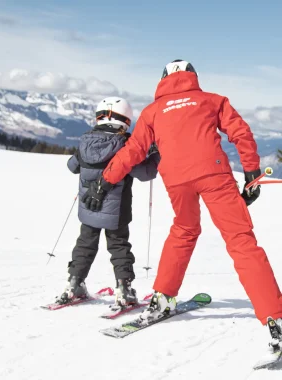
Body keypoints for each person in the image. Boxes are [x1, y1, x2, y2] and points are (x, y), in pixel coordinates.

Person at [81, 60, 282, 342]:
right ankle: (276, 319)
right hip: (214, 175)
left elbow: (133, 152)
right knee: (240, 240)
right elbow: (241, 134)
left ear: (163, 80)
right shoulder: (213, 100)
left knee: (184, 230)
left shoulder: (153, 111)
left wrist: (105, 181)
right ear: (193, 77)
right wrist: (252, 175)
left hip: (176, 179)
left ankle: (162, 298)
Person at [57, 96, 160, 307]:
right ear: (126, 119)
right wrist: (155, 155)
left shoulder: (86, 141)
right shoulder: (125, 146)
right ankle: (124, 290)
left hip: (88, 208)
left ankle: (74, 283)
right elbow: (146, 173)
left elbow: (72, 166)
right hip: (117, 211)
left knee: (85, 245)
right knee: (119, 246)